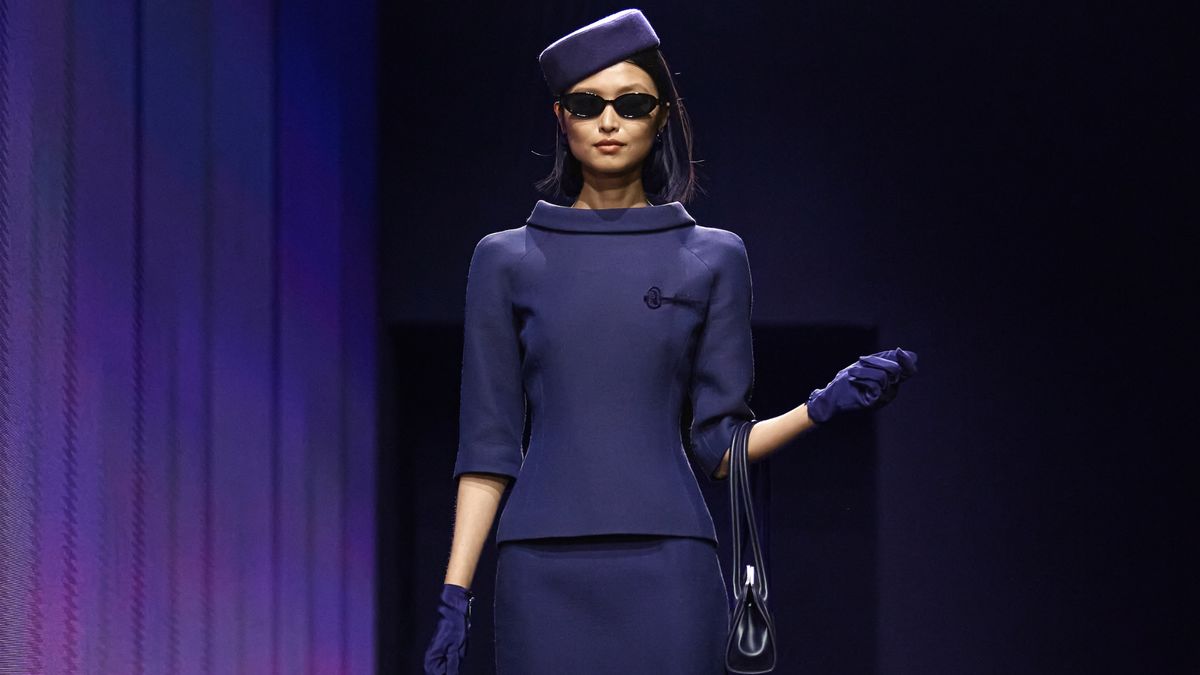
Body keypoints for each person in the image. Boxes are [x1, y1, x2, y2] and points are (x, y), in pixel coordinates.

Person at [423, 9, 918, 674]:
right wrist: (455, 594)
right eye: (586, 104)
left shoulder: (712, 257)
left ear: (661, 117)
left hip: (671, 567)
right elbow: (488, 445)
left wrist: (819, 407)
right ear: (560, 118)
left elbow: (720, 446)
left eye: (631, 103)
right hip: (539, 570)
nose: (608, 121)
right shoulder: (505, 260)